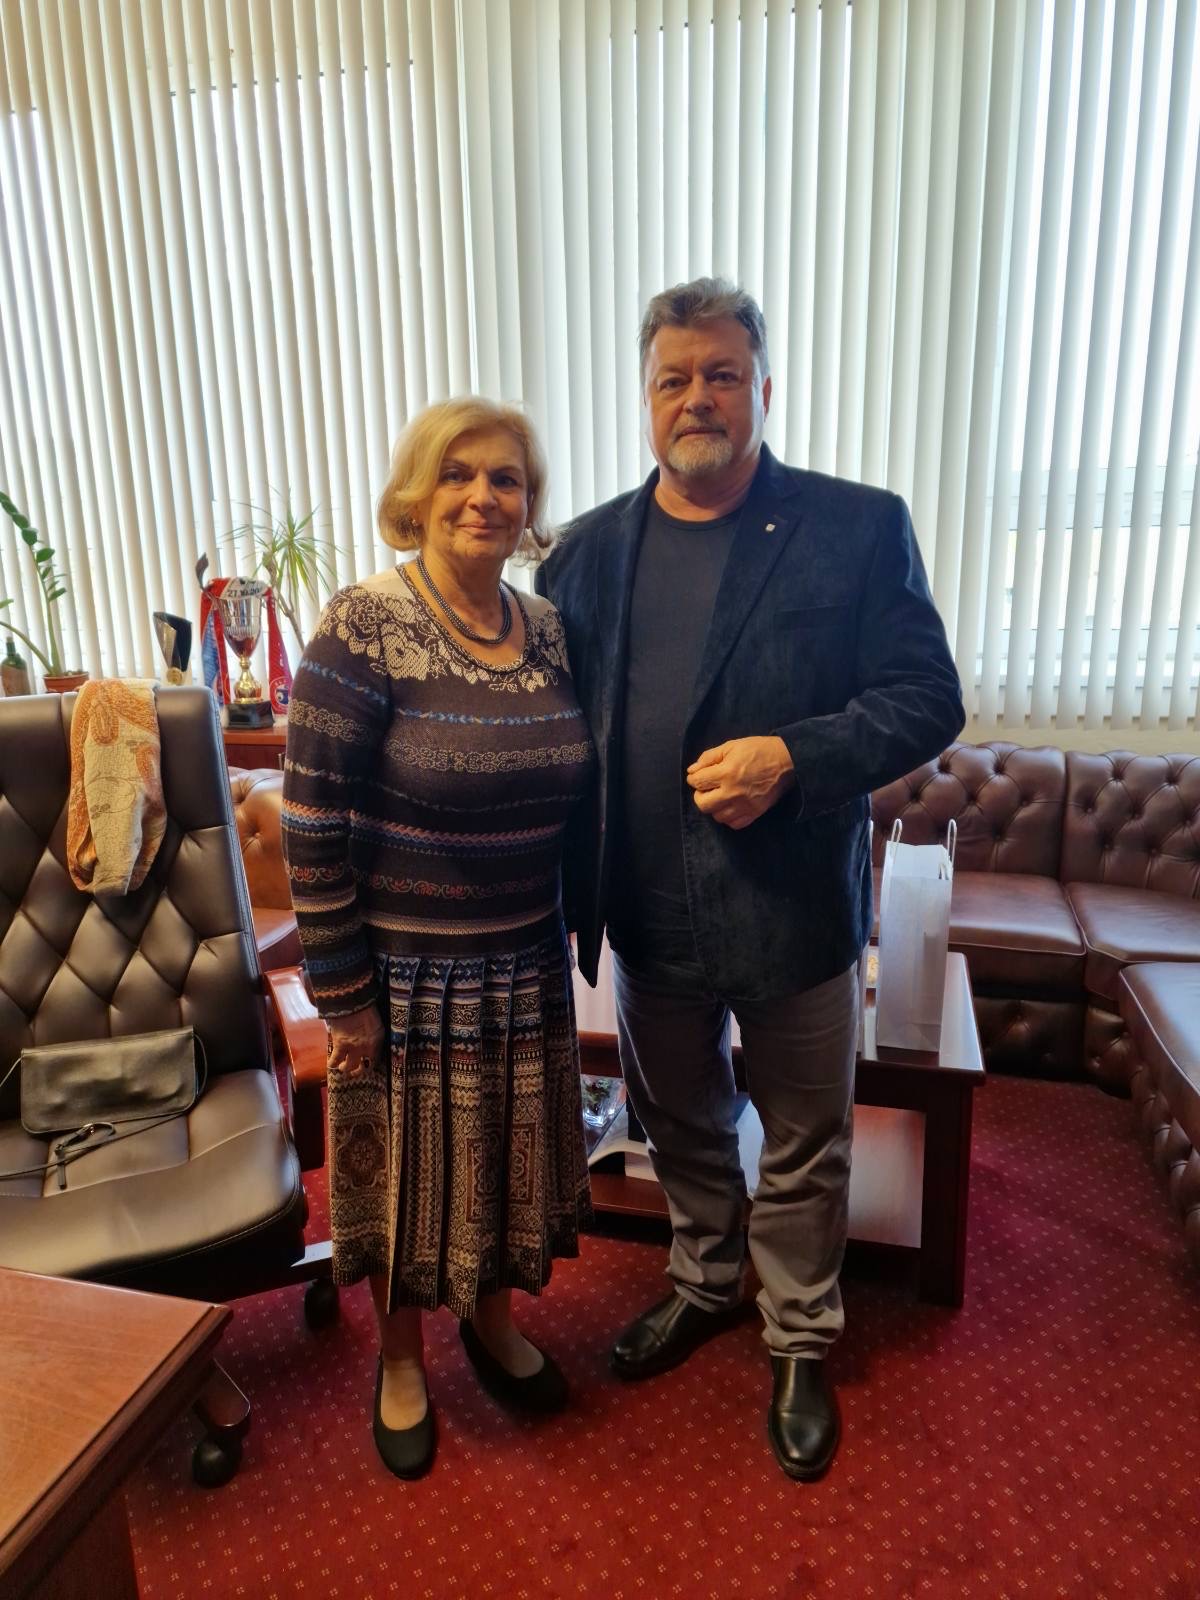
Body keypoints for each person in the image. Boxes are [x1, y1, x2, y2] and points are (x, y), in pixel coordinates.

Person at [536, 278, 963, 1482]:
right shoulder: (584, 554)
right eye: (673, 378)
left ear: (764, 388)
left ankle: (800, 1334)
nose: (698, 397)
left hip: (791, 911)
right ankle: (703, 1278)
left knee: (806, 1140)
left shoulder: (856, 526)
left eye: (722, 373)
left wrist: (796, 757)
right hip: (643, 912)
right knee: (677, 1117)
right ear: (645, 398)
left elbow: (928, 698)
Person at [283, 398, 595, 1480]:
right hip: (404, 977)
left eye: (506, 478)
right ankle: (403, 1359)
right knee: (406, 1181)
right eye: (457, 474)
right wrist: (344, 997)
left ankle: (492, 1322)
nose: (482, 496)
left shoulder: (544, 627)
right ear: (416, 494)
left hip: (522, 961)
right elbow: (311, 824)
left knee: (502, 1162)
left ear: (529, 503)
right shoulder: (361, 625)